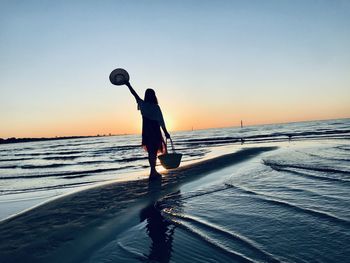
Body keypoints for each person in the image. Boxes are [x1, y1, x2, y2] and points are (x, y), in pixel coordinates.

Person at [125, 81, 171, 179]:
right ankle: (153, 172)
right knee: (153, 152)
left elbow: (134, 94)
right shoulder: (156, 107)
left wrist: (128, 84)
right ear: (154, 96)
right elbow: (161, 121)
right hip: (155, 131)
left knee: (151, 152)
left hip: (147, 131)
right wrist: (166, 132)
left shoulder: (143, 104)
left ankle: (152, 171)